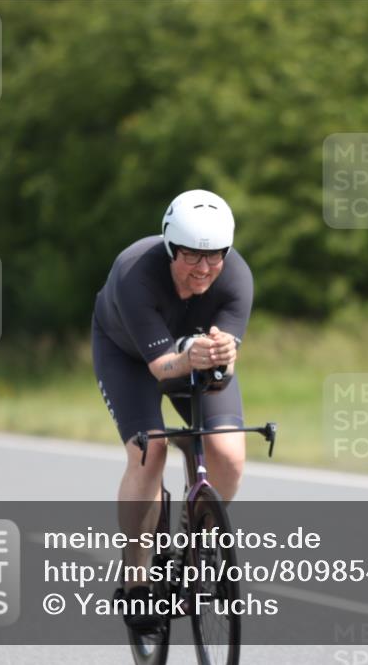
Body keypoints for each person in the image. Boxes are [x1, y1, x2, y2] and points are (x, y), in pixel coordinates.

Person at [91, 189, 252, 618]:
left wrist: (224, 354)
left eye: (214, 256)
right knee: (150, 451)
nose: (203, 268)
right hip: (129, 358)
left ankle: (195, 544)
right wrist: (189, 356)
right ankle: (136, 581)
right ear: (169, 246)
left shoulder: (237, 276)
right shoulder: (134, 273)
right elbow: (162, 367)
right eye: (191, 255)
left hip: (193, 357)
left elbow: (224, 366)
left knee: (229, 455)